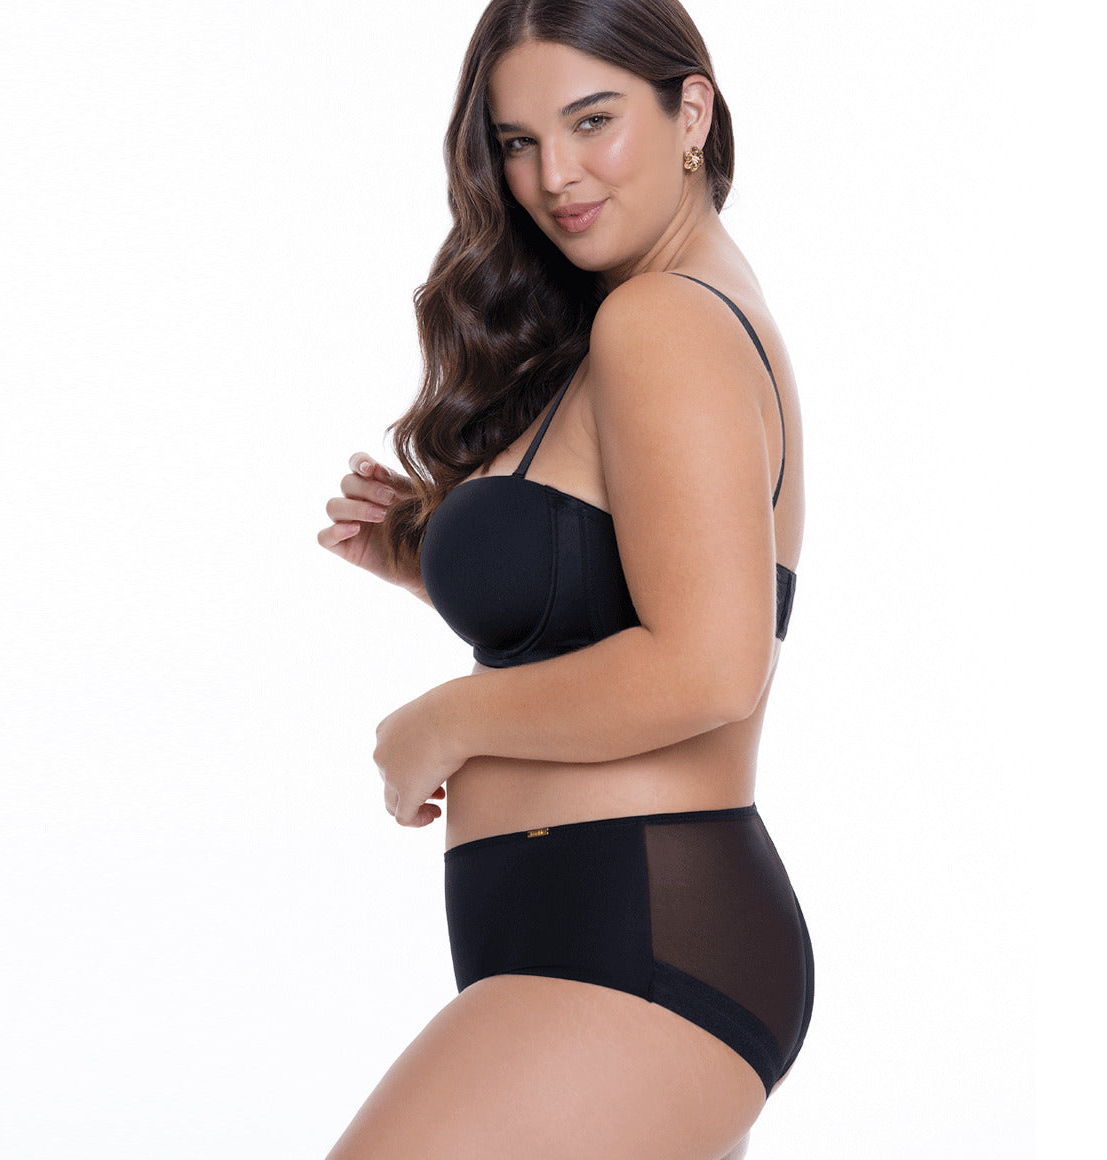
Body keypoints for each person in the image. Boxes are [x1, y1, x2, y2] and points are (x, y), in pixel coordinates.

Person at [316, 1, 813, 1155]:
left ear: (690, 111)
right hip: (597, 930)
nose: (555, 176)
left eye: (593, 121)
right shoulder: (650, 315)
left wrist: (442, 721)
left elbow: (708, 665)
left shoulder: (662, 318)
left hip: (635, 936)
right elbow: (624, 607)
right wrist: (429, 561)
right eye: (518, 141)